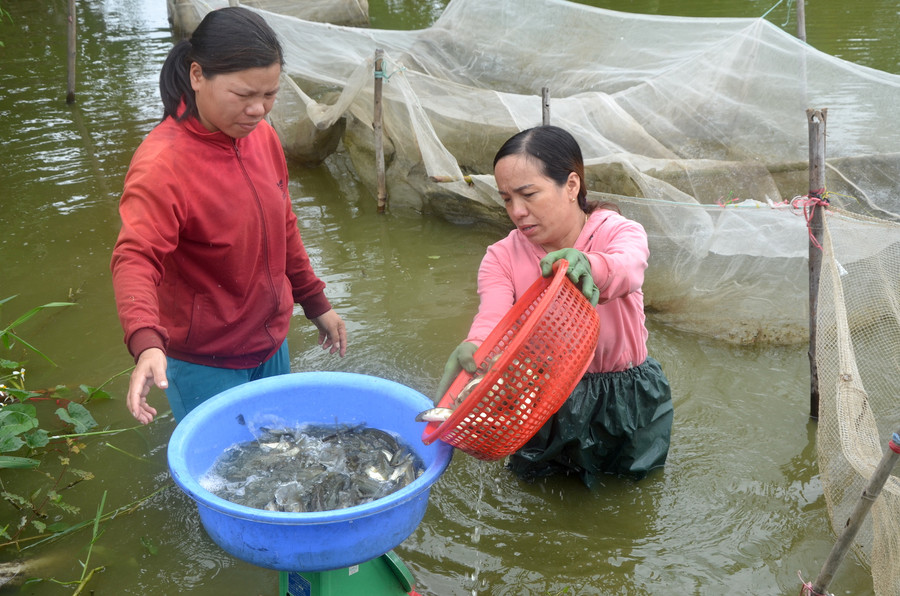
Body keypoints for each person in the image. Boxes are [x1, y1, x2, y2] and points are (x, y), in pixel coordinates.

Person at [111, 7, 347, 425]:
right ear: (198, 75)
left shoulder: (263, 137)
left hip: (271, 342)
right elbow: (135, 257)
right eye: (243, 95)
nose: (258, 109)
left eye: (269, 94)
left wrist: (314, 301)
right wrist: (147, 342)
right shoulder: (162, 163)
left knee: (280, 453)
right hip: (205, 360)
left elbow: (284, 224)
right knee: (228, 471)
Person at [437, 125, 673, 487]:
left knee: (628, 493)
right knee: (539, 493)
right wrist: (477, 349)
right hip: (544, 398)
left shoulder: (616, 231)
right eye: (506, 199)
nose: (517, 211)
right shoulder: (501, 257)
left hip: (625, 395)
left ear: (572, 186)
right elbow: (493, 318)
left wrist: (590, 267)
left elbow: (629, 266)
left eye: (528, 194)